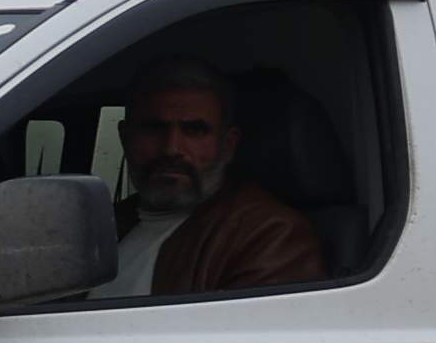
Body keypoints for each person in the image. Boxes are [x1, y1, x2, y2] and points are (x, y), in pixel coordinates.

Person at [98, 52, 327, 300]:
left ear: (227, 145)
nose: (171, 148)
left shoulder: (269, 235)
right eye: (155, 128)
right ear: (125, 137)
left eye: (195, 130)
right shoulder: (103, 226)